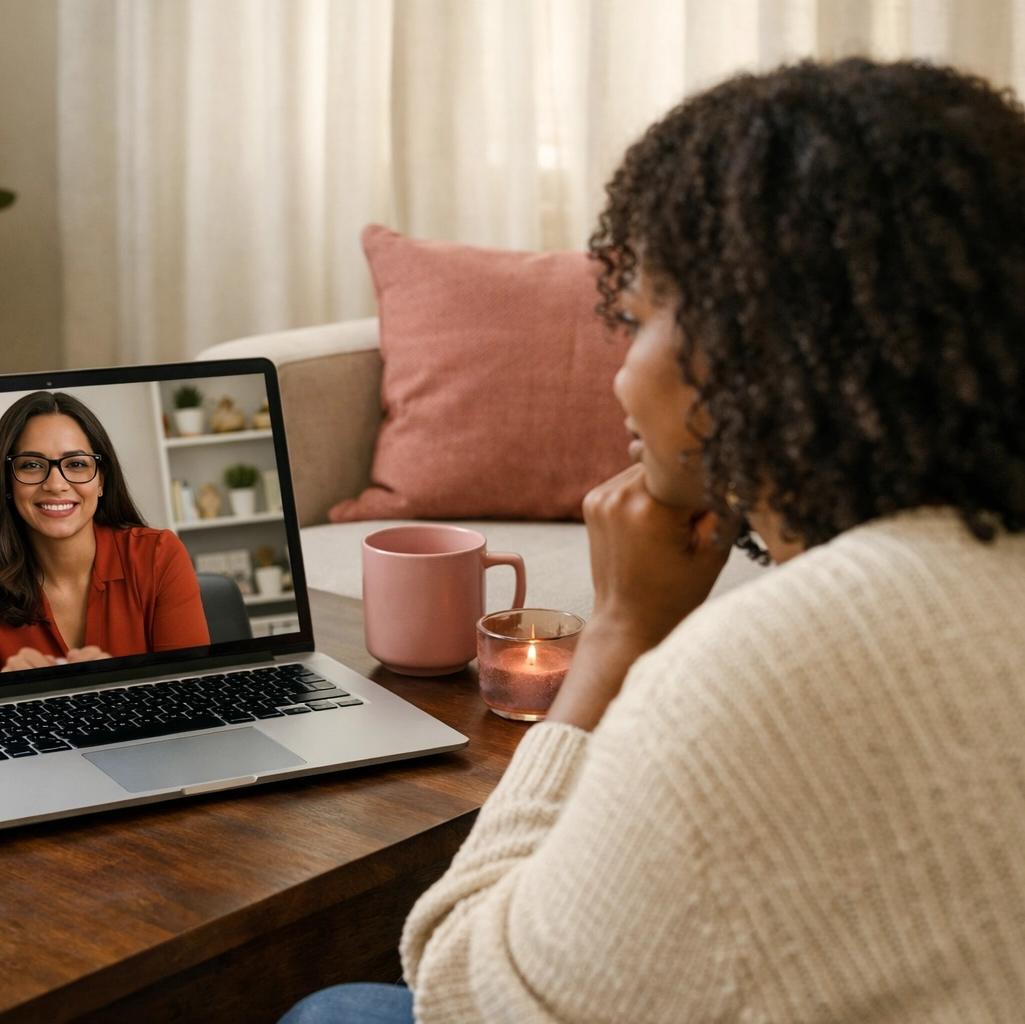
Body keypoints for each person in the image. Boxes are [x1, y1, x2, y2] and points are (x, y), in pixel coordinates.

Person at [281, 59, 1025, 1023]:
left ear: (757, 346)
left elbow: (461, 991)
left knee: (338, 1012)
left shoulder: (754, 674)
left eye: (633, 322)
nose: (621, 376)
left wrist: (623, 634)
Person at [0, 391, 210, 679]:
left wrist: (113, 686)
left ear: (101, 478)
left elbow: (193, 697)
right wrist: (7, 696)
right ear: (7, 481)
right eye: (31, 465)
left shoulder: (160, 556)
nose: (56, 484)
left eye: (76, 464)